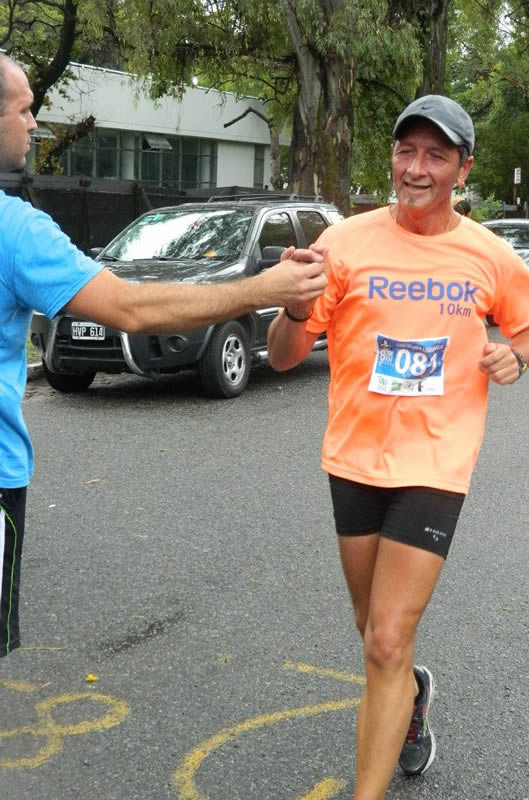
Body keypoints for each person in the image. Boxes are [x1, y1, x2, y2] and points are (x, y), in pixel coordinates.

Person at [267, 94, 529, 800]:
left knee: (388, 637)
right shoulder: (344, 243)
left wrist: (517, 355)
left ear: (463, 169)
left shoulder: (487, 254)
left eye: (436, 156)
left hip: (437, 463)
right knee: (373, 633)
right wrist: (295, 305)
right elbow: (283, 355)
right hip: (354, 459)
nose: (416, 168)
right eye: (406, 151)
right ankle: (411, 694)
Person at [0, 53, 328, 658]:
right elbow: (131, 308)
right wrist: (263, 289)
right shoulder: (15, 229)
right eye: (24, 111)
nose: (35, 124)